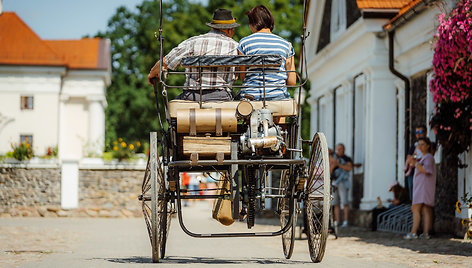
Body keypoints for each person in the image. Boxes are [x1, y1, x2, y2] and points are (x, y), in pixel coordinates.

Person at [147, 9, 240, 101]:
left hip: (192, 96)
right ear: (229, 30)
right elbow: (237, 75)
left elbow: (166, 61)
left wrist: (152, 74)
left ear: (212, 27)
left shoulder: (193, 42)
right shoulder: (236, 46)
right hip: (222, 96)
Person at [237, 5, 296, 101]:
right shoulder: (286, 45)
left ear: (253, 23)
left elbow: (243, 76)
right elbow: (292, 81)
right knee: (281, 110)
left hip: (251, 96)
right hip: (278, 96)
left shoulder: (244, 43)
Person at [404, 137, 436, 239]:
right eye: (419, 144)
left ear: (428, 146)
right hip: (421, 186)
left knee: (416, 208)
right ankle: (426, 233)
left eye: (422, 144)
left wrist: (415, 164)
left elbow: (426, 170)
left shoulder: (428, 157)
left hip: (423, 187)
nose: (420, 146)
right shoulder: (422, 157)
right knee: (425, 209)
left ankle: (413, 232)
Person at [331, 143, 352, 227]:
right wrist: (334, 164)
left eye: (341, 149)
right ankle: (337, 221)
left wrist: (339, 164)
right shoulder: (335, 158)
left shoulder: (347, 159)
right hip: (335, 182)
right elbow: (330, 170)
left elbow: (349, 168)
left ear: (344, 149)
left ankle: (346, 221)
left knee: (344, 202)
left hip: (342, 182)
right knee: (335, 203)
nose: (339, 151)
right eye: (338, 149)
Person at [405, 125, 427, 201]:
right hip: (413, 170)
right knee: (412, 186)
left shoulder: (428, 144)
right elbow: (409, 157)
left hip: (422, 170)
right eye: (416, 132)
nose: (418, 134)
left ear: (425, 132)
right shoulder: (414, 145)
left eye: (420, 132)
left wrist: (415, 159)